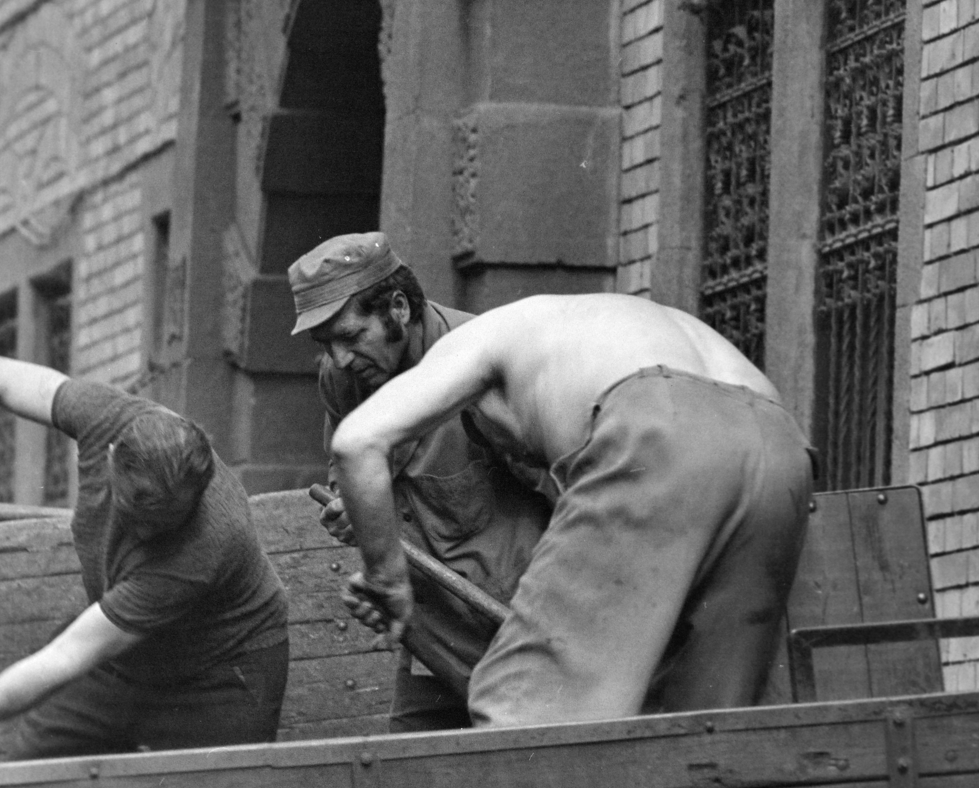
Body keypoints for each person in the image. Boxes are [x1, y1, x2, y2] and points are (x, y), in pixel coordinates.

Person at [329, 292, 813, 727]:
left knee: (523, 712)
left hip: (656, 422)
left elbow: (357, 442)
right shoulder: (578, 330)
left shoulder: (474, 341)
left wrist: (386, 579)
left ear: (400, 308)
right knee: (705, 723)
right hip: (779, 442)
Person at [0, 357, 289, 756]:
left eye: (163, 522)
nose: (145, 533)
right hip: (127, 657)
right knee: (36, 775)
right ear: (112, 455)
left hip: (220, 677)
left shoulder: (203, 550)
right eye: (134, 512)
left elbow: (65, 657)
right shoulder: (104, 418)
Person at [290, 232, 550, 730]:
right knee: (408, 775)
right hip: (429, 630)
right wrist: (356, 507)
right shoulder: (343, 377)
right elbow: (346, 468)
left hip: (520, 625)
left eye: (349, 337)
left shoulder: (486, 364)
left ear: (398, 308)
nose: (340, 359)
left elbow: (566, 500)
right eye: (327, 346)